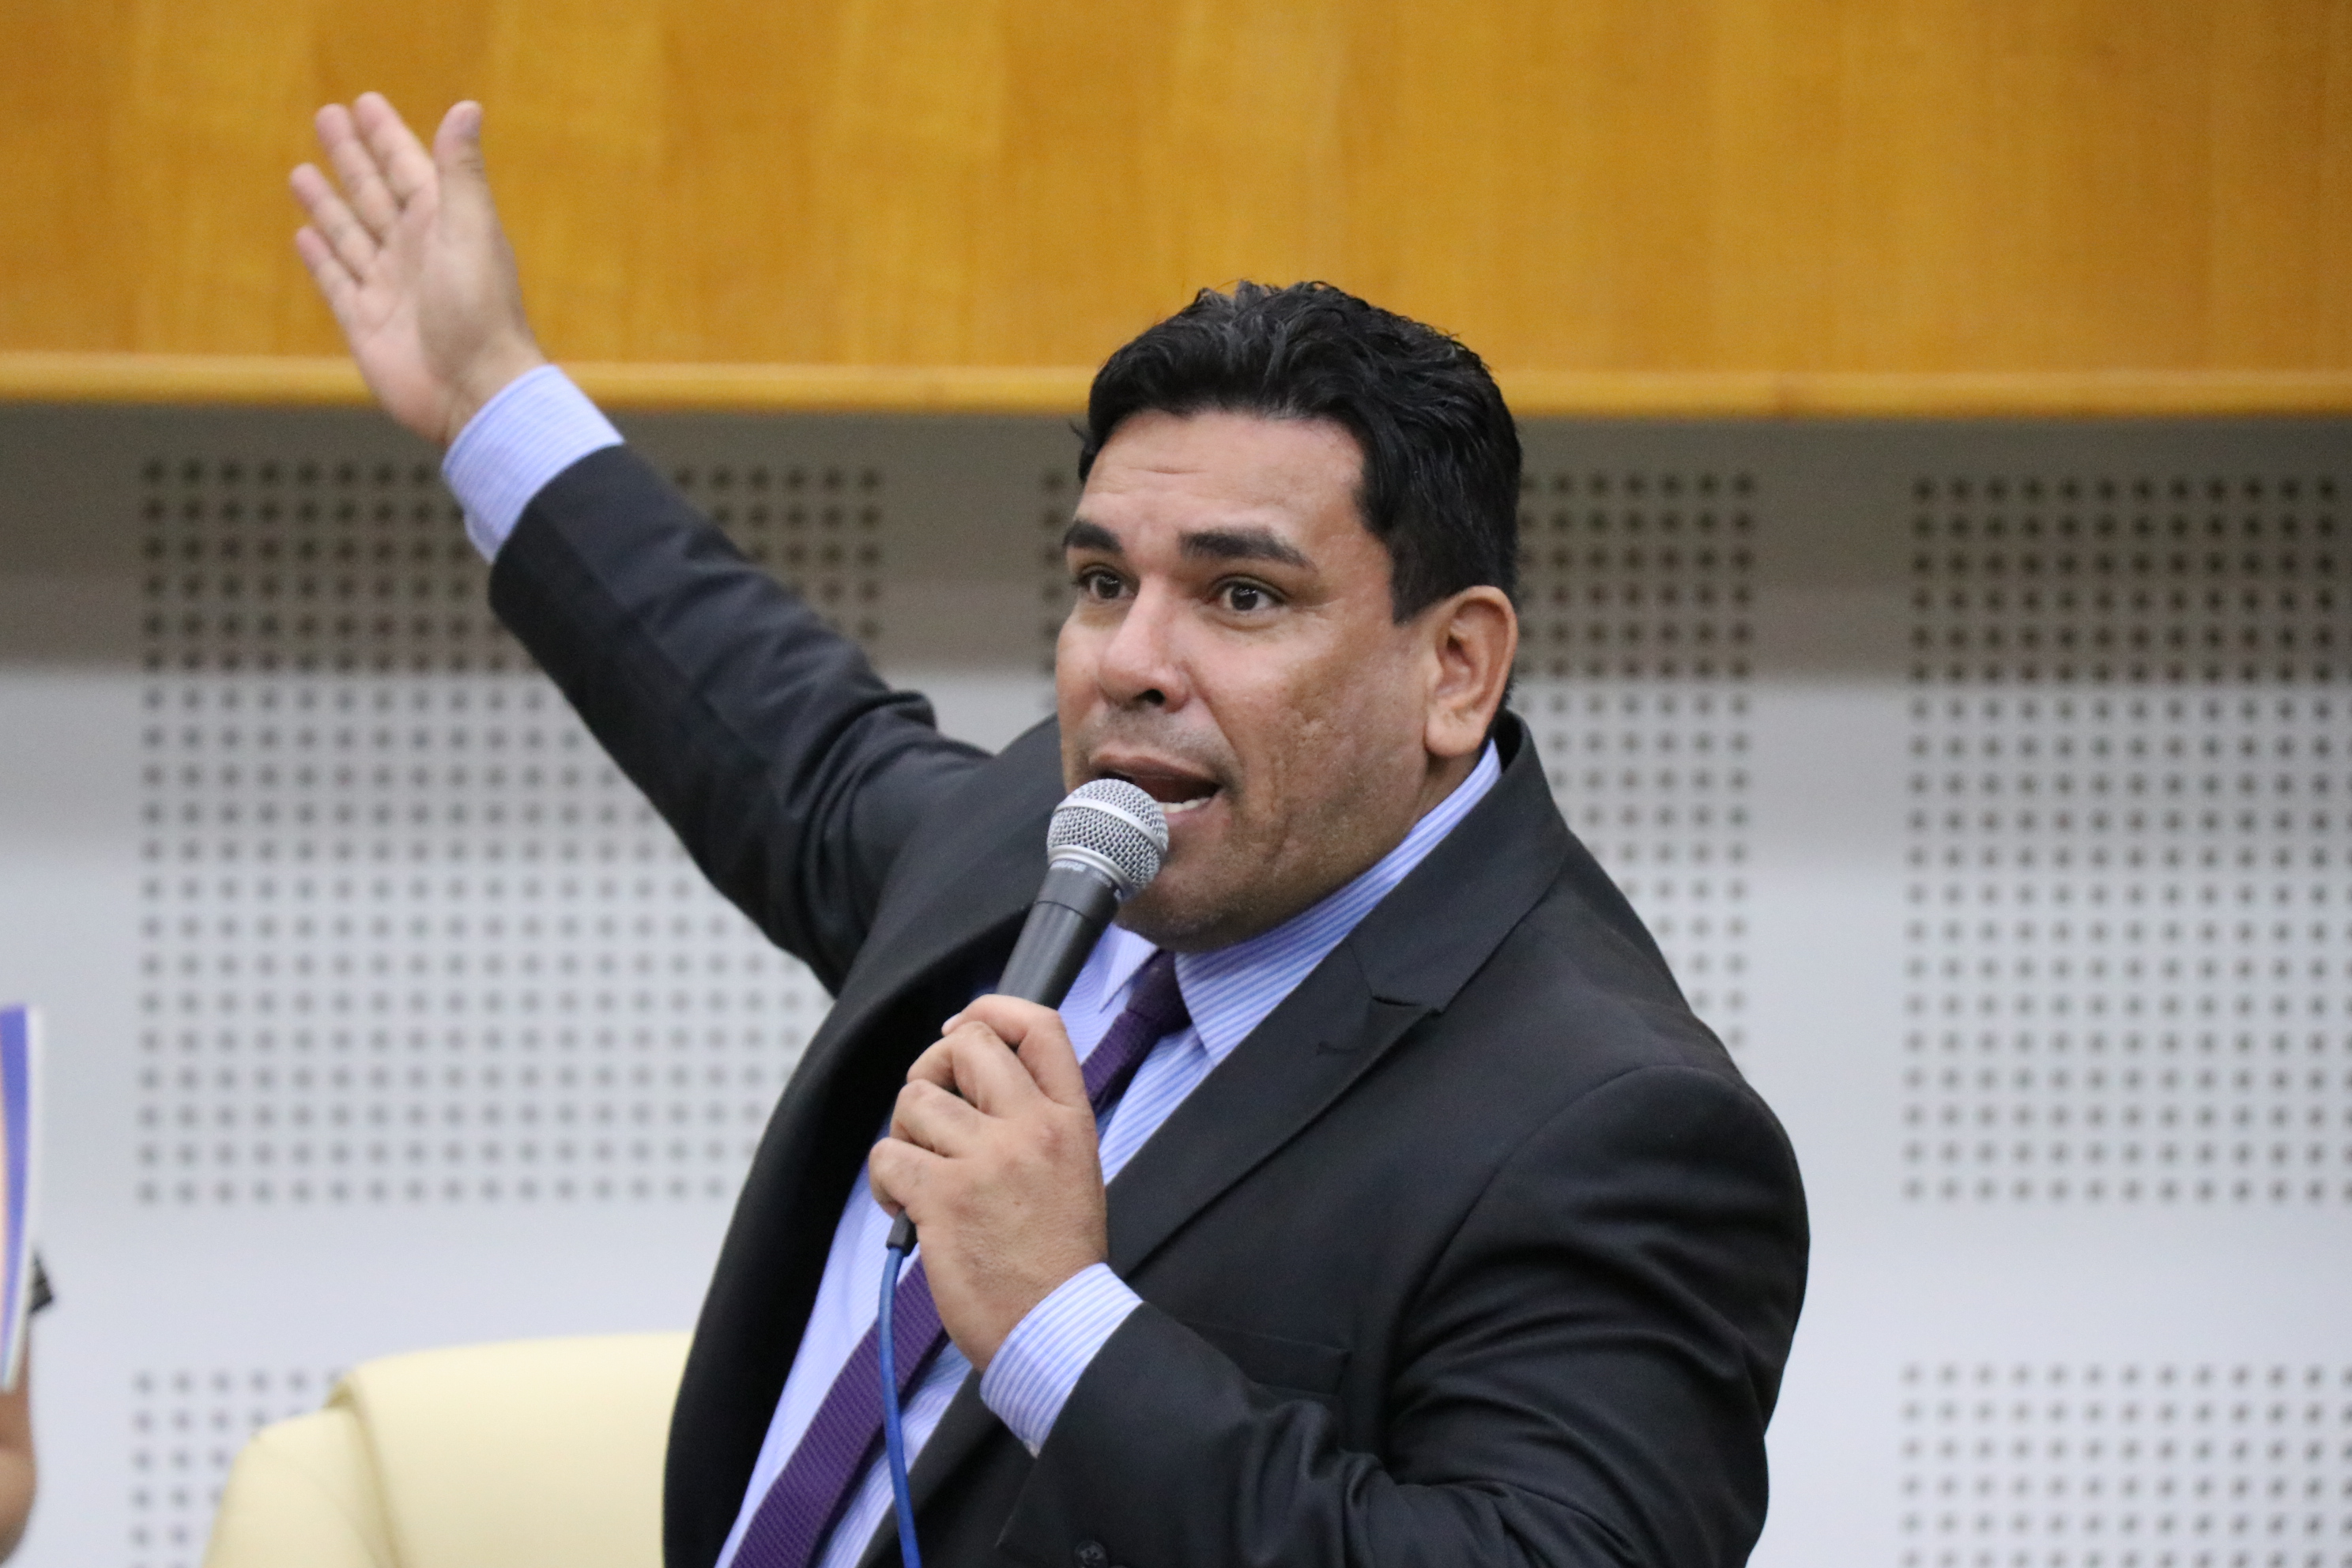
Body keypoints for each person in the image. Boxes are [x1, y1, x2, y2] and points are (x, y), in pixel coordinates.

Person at [290, 94, 1807, 1568]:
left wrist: (1058, 1325)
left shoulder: (1614, 1126)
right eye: (1102, 583)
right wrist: (491, 397)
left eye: (1241, 595)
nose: (1126, 663)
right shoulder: (1076, 844)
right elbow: (783, 749)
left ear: (1455, 669)